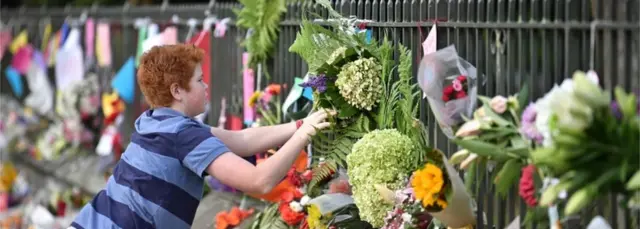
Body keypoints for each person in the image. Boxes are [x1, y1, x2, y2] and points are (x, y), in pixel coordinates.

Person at [69, 44, 333, 229]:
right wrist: (305, 135)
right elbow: (260, 181)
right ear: (177, 91)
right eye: (199, 80)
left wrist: (298, 125)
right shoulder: (183, 136)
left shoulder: (154, 122)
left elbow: (241, 140)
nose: (206, 86)